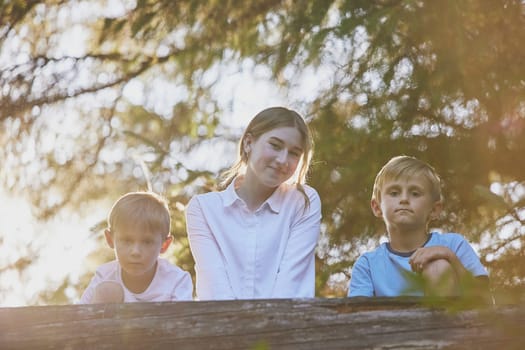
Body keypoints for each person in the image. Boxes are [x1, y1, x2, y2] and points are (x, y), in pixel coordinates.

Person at [186, 107, 321, 300]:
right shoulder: (203, 209)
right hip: (222, 326)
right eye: (275, 145)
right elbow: (215, 289)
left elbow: (291, 286)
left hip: (287, 325)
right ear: (249, 142)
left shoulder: (303, 202)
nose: (283, 160)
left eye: (294, 153)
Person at [348, 155, 489, 298]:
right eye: (394, 193)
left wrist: (449, 257)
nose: (404, 199)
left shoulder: (453, 245)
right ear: (377, 207)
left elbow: (485, 302)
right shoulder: (368, 265)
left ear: (434, 209)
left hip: (451, 320)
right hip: (389, 321)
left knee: (437, 266)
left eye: (415, 193)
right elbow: (357, 316)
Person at [80, 191, 193, 303]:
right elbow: (80, 317)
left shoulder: (176, 280)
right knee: (108, 290)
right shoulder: (104, 276)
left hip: (165, 321)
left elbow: (185, 320)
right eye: (126, 241)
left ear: (164, 245)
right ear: (110, 239)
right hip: (109, 321)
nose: (136, 252)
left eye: (147, 242)